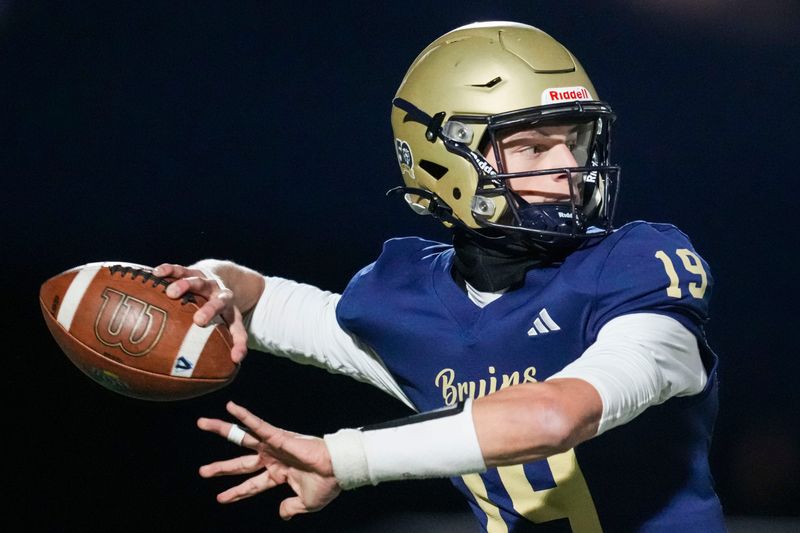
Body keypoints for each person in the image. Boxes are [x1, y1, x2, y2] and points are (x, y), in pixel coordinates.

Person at [155, 21, 725, 532]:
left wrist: (346, 459)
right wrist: (212, 280)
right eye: (532, 147)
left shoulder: (635, 269)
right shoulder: (406, 302)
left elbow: (553, 416)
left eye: (574, 143)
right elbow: (260, 302)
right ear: (439, 162)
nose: (568, 172)